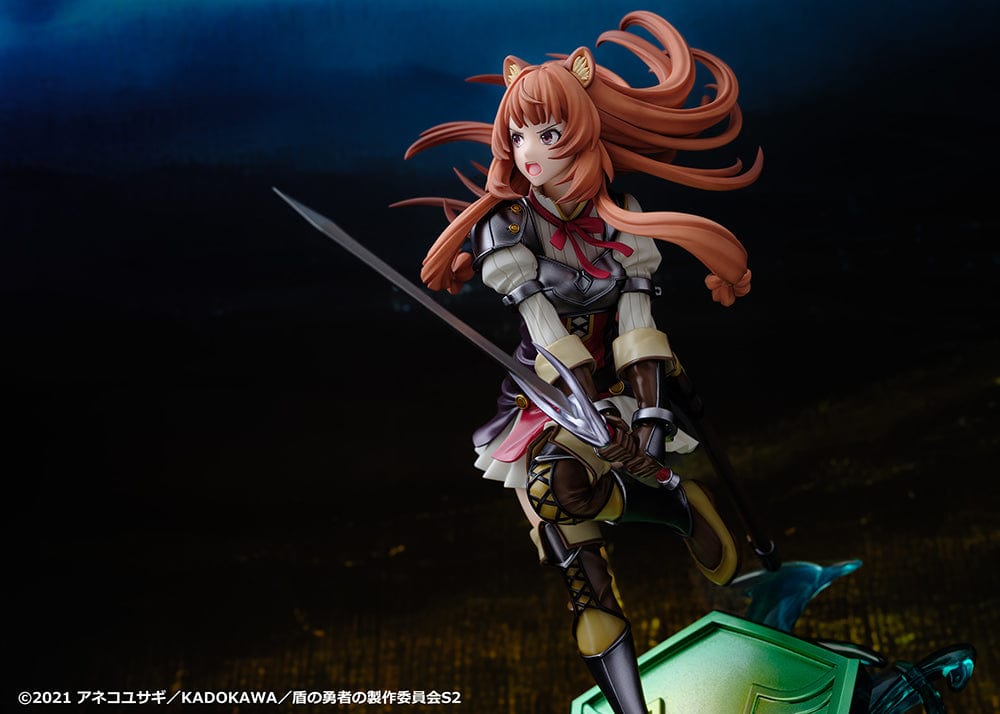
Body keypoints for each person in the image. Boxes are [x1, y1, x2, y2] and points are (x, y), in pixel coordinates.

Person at [397, 11, 762, 713]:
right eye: (518, 136)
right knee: (562, 518)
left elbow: (637, 322)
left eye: (547, 133)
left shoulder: (622, 215)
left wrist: (648, 423)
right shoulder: (508, 224)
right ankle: (634, 683)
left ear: (584, 131)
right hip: (547, 392)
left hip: (620, 386)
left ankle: (671, 503)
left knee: (564, 492)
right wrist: (588, 412)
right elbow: (541, 325)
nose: (529, 152)